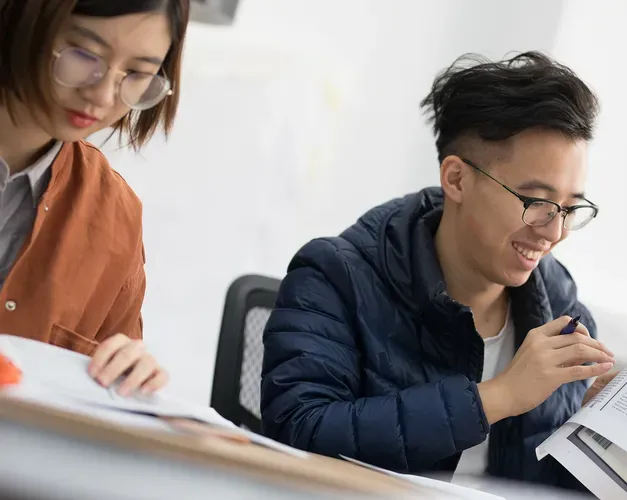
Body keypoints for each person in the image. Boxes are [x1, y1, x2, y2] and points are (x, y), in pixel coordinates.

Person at [260, 51, 617, 490]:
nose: (555, 230)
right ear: (457, 179)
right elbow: (299, 430)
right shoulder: (335, 277)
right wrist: (498, 397)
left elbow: (534, 484)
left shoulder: (560, 309)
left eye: (569, 207)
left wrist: (596, 440)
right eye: (536, 201)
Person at [0, 0, 189, 396]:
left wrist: (130, 373)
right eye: (84, 55)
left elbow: (100, 385)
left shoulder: (115, 214)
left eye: (137, 73)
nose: (103, 96)